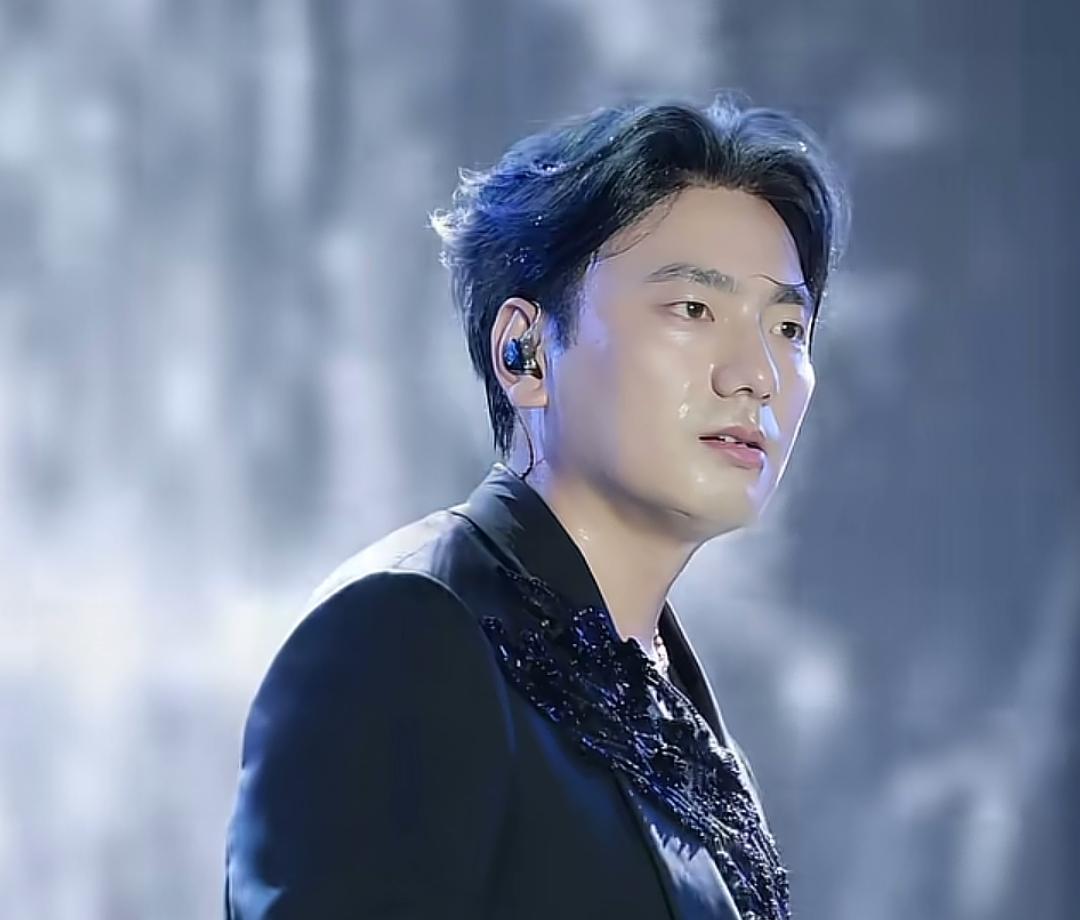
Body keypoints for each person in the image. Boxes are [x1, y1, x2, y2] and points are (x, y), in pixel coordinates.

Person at [224, 92, 849, 919]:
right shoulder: (405, 634)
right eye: (694, 309)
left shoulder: (680, 709)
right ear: (524, 352)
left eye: (789, 329)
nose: (757, 375)